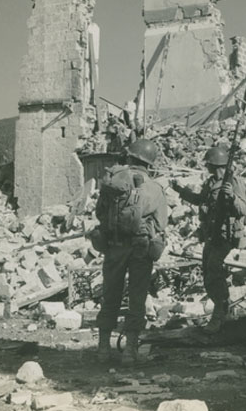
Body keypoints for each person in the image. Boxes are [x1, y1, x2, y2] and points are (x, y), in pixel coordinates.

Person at [95, 139, 168, 365]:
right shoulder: (155, 188)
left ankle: (103, 348)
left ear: (130, 157)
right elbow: (161, 222)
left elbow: (100, 213)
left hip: (115, 246)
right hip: (140, 248)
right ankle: (130, 351)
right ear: (149, 162)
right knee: (137, 298)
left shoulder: (115, 181)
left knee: (110, 296)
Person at [171, 146, 246, 334]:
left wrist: (232, 197)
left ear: (214, 165)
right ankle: (226, 310)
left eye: (209, 165)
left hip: (226, 237)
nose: (206, 168)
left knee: (215, 274)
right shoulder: (212, 182)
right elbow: (200, 200)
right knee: (208, 275)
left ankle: (219, 315)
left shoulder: (235, 182)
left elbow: (244, 210)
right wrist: (180, 190)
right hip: (212, 235)